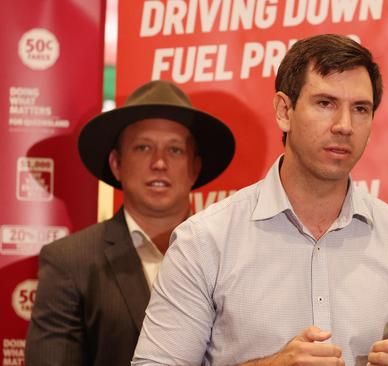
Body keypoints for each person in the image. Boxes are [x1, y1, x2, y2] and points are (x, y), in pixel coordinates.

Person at [132, 34, 388, 366]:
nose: (344, 125)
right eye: (325, 103)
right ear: (284, 111)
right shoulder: (204, 241)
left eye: (360, 109)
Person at [25, 80, 235, 366]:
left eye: (174, 150)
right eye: (143, 147)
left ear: (194, 167)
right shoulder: (69, 262)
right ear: (116, 164)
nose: (159, 163)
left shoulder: (232, 254)